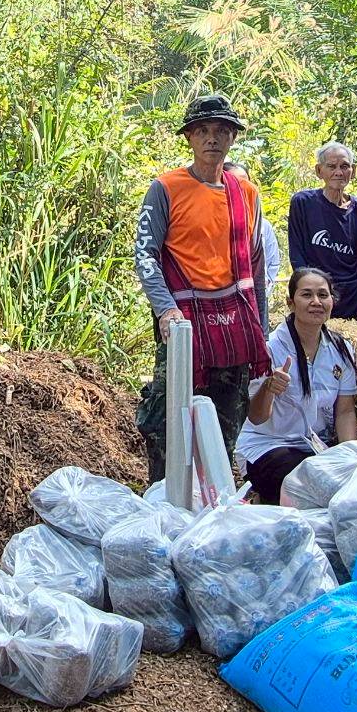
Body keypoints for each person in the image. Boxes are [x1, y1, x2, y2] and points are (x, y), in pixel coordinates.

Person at [133, 93, 280, 478]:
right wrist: (165, 309)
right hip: (182, 325)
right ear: (189, 139)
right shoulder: (166, 189)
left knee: (225, 422)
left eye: (220, 131)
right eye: (202, 131)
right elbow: (146, 254)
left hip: (233, 326)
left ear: (232, 138)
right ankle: (164, 502)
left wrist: (259, 330)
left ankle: (216, 505)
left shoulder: (245, 193)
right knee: (170, 420)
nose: (211, 138)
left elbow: (254, 265)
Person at [240, 268, 357, 502]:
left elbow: (345, 412)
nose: (316, 302)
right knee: (305, 477)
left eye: (323, 295)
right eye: (307, 295)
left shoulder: (342, 349)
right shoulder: (270, 349)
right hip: (269, 447)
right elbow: (256, 417)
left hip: (316, 449)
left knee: (350, 478)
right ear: (290, 303)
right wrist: (269, 388)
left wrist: (351, 457)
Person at [286, 142, 357, 323]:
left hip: (355, 303)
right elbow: (298, 257)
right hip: (319, 300)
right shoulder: (303, 203)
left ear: (353, 171)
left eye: (344, 166)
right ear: (319, 171)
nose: (338, 172)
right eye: (331, 166)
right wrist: (310, 297)